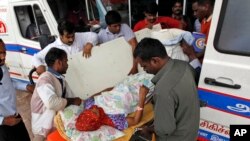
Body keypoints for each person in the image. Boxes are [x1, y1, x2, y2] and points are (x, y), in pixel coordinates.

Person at [133, 38, 200, 141]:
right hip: (191, 130)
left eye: (145, 66)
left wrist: (148, 129)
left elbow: (165, 130)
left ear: (155, 60)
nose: (145, 71)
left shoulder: (162, 91)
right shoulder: (184, 65)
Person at [31, 48, 82, 141]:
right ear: (59, 62)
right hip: (41, 129)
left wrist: (77, 102)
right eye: (66, 61)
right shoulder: (45, 79)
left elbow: (70, 97)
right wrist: (73, 101)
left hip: (52, 124)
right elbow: (52, 103)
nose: (67, 65)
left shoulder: (60, 79)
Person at [75, 71, 154, 131]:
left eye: (90, 109)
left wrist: (114, 88)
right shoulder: (114, 121)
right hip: (138, 93)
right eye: (95, 113)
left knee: (148, 71)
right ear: (97, 121)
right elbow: (135, 120)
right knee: (156, 78)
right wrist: (142, 98)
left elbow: (103, 92)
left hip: (126, 84)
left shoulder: (89, 104)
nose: (94, 108)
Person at [32, 20, 98, 75]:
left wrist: (90, 43)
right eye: (68, 37)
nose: (71, 39)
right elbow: (36, 57)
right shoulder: (53, 47)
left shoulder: (79, 36)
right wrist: (39, 65)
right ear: (60, 35)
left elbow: (94, 36)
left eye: (73, 36)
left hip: (84, 72)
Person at [0, 38, 34, 141]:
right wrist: (3, 121)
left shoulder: (2, 66)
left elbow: (9, 82)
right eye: (0, 53)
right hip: (3, 127)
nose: (3, 57)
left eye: (4, 52)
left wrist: (26, 86)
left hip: (15, 117)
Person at [98, 10, 138, 74]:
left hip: (126, 63)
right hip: (112, 68)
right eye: (115, 26)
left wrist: (135, 66)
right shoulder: (101, 34)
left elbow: (134, 45)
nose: (118, 28)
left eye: (119, 25)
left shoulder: (124, 27)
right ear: (108, 25)